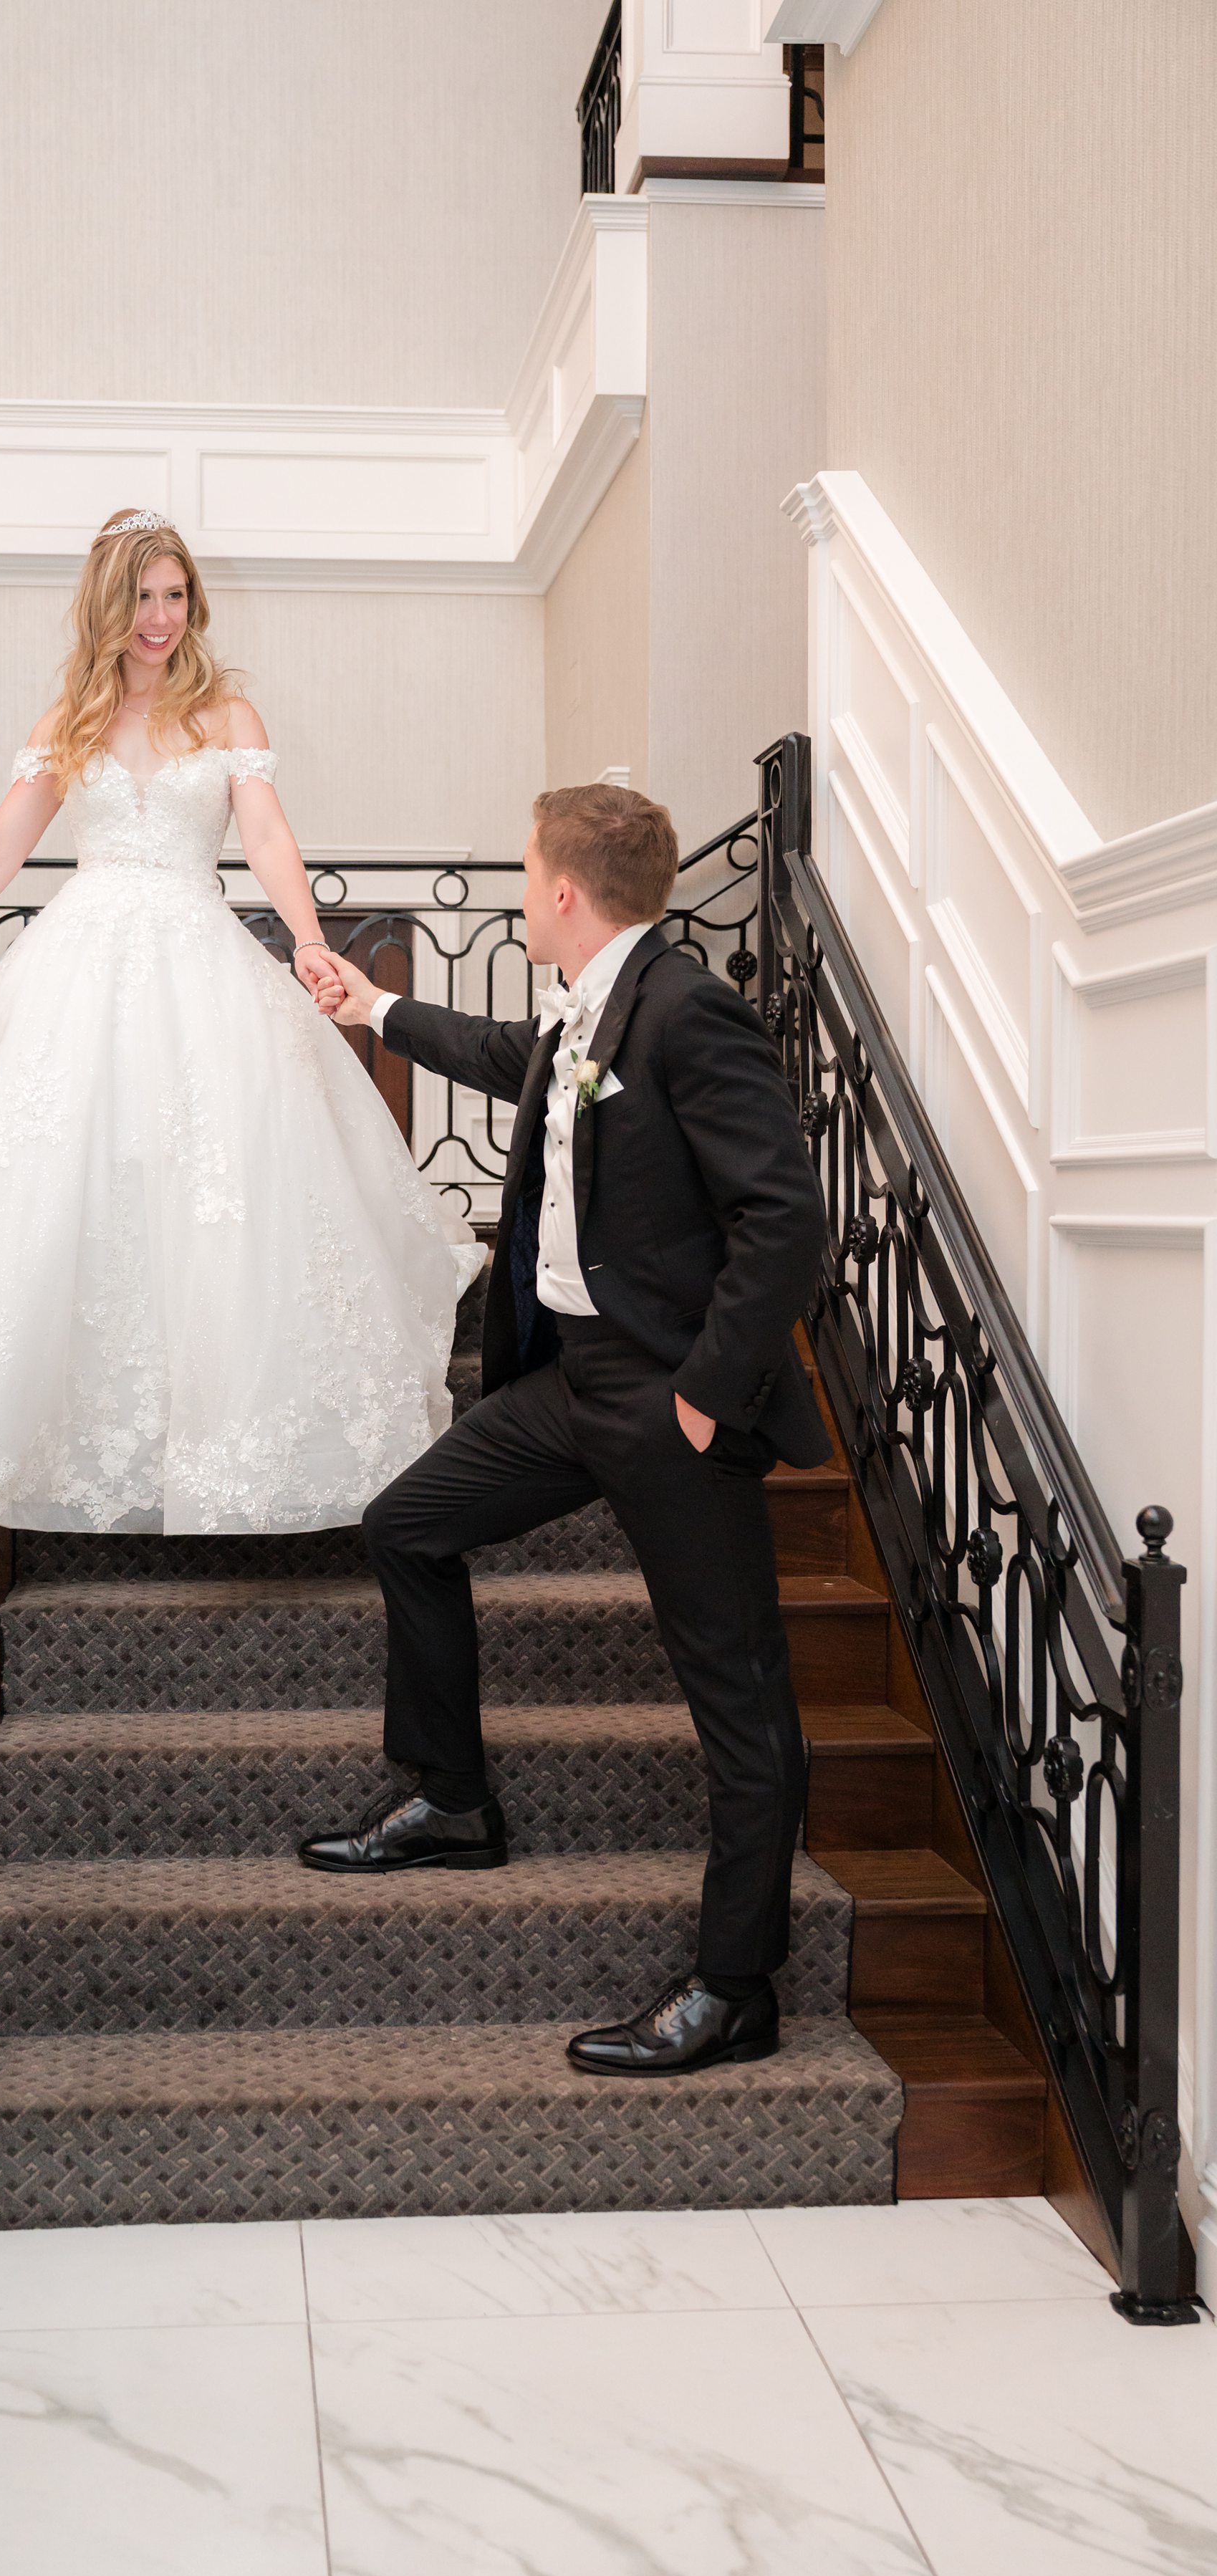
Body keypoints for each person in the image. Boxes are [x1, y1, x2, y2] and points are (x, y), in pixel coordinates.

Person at [297, 782, 831, 2078]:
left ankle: (735, 1989)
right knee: (408, 1526)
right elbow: (512, 1061)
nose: (522, 887)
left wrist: (704, 1392)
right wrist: (372, 1008)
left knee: (739, 1699)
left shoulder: (687, 1010)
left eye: (526, 869)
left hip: (668, 1398)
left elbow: (784, 1217)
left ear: (562, 891)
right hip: (569, 1384)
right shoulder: (588, 1006)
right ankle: (452, 1800)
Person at [0, 507, 480, 1532]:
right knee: (66, 1174)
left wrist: (307, 939)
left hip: (197, 955)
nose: (160, 617)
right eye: (142, 597)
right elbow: (0, 850)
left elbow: (265, 837)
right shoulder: (68, 721)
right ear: (109, 604)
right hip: (78, 964)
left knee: (218, 1181)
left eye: (176, 595)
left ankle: (230, 1439)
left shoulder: (229, 715)